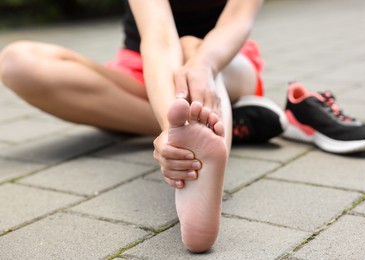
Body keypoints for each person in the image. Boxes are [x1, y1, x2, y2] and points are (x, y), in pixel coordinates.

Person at [0, 0, 268, 253]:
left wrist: (202, 66)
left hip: (224, 64)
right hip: (146, 72)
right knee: (17, 61)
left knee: (190, 45)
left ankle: (198, 141)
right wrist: (168, 123)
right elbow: (159, 37)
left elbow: (235, 21)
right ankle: (199, 131)